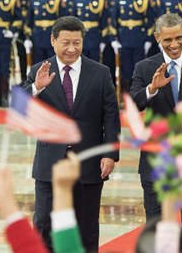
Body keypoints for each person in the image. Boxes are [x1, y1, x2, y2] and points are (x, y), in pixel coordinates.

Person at [22, 16, 120, 252]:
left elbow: (111, 115)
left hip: (89, 162)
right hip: (50, 164)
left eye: (77, 43)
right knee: (44, 223)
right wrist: (37, 87)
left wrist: (110, 154)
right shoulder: (39, 71)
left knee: (86, 227)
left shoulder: (100, 73)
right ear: (53, 41)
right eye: (65, 42)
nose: (71, 49)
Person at [130, 13, 182, 219]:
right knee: (156, 223)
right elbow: (133, 103)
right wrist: (152, 88)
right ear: (157, 37)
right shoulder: (145, 67)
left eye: (179, 38)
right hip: (156, 159)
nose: (174, 44)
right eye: (167, 39)